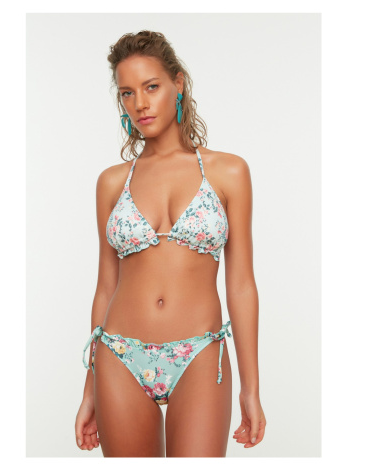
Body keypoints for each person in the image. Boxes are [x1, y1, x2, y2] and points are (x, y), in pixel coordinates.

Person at [75, 30, 266, 457]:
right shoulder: (112, 182)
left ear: (178, 84)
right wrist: (89, 390)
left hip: (200, 353)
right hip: (119, 355)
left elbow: (241, 286)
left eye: (151, 87)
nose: (139, 104)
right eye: (127, 93)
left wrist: (251, 389)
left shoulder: (229, 172)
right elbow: (105, 287)